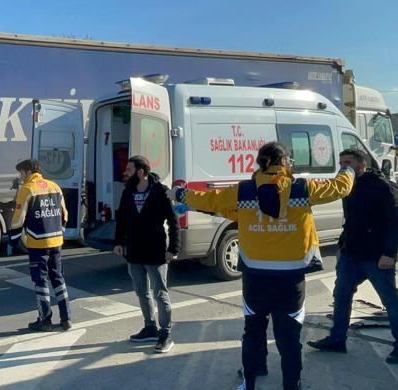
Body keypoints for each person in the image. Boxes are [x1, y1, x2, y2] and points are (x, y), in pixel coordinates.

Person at [167, 142, 354, 390]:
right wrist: (348, 169)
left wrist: (181, 195)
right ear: (285, 162)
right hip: (291, 278)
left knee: (252, 333)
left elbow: (212, 200)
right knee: (289, 339)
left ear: (260, 162)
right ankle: (291, 385)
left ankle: (250, 383)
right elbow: (340, 187)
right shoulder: (302, 188)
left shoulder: (244, 190)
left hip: (255, 276)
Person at [307, 148, 398, 364]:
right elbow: (351, 220)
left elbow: (395, 221)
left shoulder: (381, 186)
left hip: (377, 257)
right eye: (341, 162)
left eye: (348, 162)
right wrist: (342, 244)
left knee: (390, 301)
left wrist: (390, 253)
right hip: (351, 254)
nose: (343, 166)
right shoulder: (348, 186)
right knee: (341, 294)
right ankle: (337, 339)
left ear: (362, 164)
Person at [113, 155, 180, 353]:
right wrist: (118, 242)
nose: (125, 173)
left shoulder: (160, 192)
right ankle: (150, 327)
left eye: (129, 170)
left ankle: (165, 333)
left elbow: (173, 221)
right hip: (134, 250)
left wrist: (173, 249)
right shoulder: (128, 192)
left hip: (155, 250)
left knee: (160, 293)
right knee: (141, 292)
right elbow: (121, 219)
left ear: (142, 172)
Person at [8, 159, 72, 332]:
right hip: (56, 242)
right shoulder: (55, 186)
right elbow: (65, 214)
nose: (20, 177)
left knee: (40, 281)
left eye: (21, 173)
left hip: (38, 243)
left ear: (28, 172)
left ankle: (45, 320)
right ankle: (66, 318)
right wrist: (60, 232)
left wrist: (12, 241)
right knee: (58, 279)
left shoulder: (27, 190)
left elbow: (18, 220)